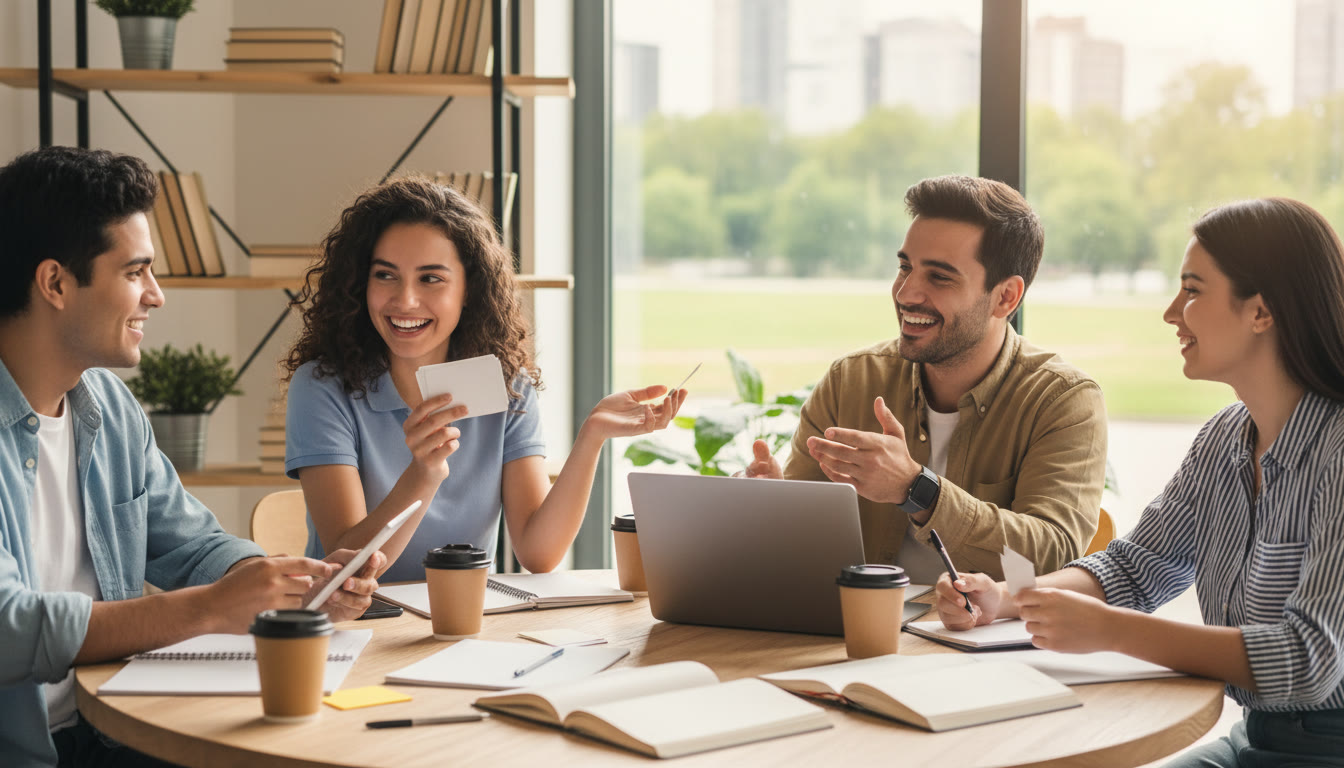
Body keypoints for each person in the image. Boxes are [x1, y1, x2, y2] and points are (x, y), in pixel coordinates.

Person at [0, 146, 385, 768]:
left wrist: (285, 583)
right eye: (135, 272)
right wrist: (206, 609)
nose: (155, 296)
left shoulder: (108, 408)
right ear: (55, 283)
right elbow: (8, 628)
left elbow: (192, 544)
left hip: (111, 733)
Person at [934, 198, 1344, 766]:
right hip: (1253, 741)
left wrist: (1109, 630)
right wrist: (1007, 600)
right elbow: (1135, 566)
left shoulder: (1338, 455)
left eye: (1193, 290)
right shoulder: (1224, 441)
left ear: (1261, 311)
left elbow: (1308, 661)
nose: (1172, 312)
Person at [282, 177, 685, 581]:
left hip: (463, 621)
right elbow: (347, 566)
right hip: (358, 623)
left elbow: (538, 553)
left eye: (431, 278)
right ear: (359, 284)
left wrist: (591, 437)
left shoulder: (507, 388)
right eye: (385, 275)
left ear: (468, 291)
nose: (405, 300)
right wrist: (422, 475)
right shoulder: (321, 388)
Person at [747, 175, 1107, 581]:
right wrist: (775, 508)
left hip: (985, 639)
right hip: (859, 633)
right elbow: (805, 552)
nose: (905, 293)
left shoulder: (1063, 400)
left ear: (1006, 297)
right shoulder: (850, 381)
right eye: (905, 267)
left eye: (939, 277)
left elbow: (1051, 556)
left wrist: (916, 489)